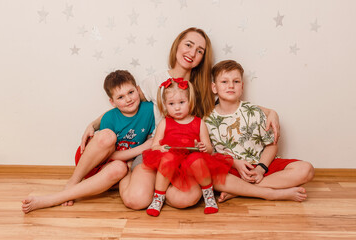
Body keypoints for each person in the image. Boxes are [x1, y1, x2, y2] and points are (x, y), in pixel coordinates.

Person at [79, 27, 281, 210]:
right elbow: (126, 101)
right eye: (189, 45)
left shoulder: (203, 88)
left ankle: (161, 190)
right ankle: (126, 175)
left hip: (188, 156)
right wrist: (94, 123)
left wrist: (271, 112)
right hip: (156, 151)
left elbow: (233, 101)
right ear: (177, 45)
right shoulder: (153, 82)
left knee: (186, 200)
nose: (192, 53)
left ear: (203, 57)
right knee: (136, 201)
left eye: (200, 51)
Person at [21, 70, 155, 213]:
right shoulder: (110, 117)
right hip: (93, 160)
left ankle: (59, 197)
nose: (128, 99)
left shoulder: (148, 110)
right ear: (112, 102)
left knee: (120, 168)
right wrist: (140, 149)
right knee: (108, 137)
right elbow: (108, 154)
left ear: (138, 90)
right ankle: (71, 184)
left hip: (113, 168)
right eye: (120, 97)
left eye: (131, 92)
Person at [205, 60, 315, 202]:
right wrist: (234, 163)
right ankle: (266, 192)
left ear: (242, 86)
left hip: (261, 165)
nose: (231, 85)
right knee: (207, 175)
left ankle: (239, 190)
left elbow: (271, 144)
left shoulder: (255, 112)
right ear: (214, 87)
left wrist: (260, 169)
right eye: (224, 82)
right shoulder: (206, 119)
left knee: (306, 169)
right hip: (231, 170)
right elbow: (210, 154)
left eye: (236, 81)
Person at [142, 78, 233, 216]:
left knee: (197, 159)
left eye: (181, 102)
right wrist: (161, 148)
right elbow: (154, 145)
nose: (177, 107)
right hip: (172, 161)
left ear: (190, 101)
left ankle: (209, 196)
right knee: (167, 159)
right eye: (171, 104)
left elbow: (209, 148)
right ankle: (158, 198)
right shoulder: (165, 123)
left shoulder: (199, 122)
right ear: (165, 105)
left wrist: (202, 147)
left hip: (192, 164)